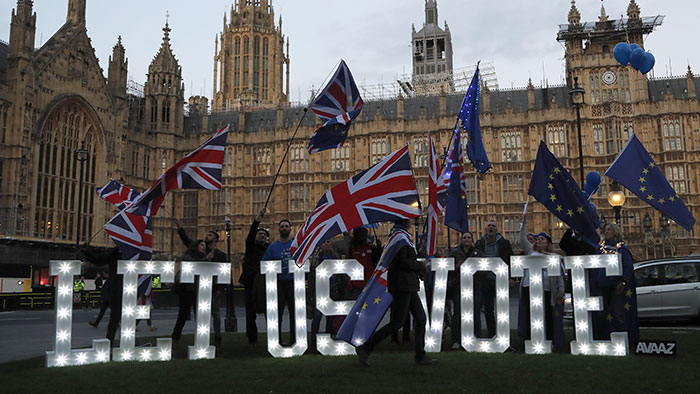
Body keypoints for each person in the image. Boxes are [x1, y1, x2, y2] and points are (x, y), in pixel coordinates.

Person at [356, 219, 437, 366]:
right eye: (409, 220)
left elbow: (405, 260)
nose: (412, 222)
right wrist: (420, 265)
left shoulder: (402, 236)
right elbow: (401, 262)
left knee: (421, 319)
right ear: (404, 222)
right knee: (397, 323)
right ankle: (366, 347)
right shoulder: (400, 237)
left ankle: (420, 355)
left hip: (408, 285)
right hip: (402, 285)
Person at [174, 219, 228, 346]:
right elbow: (187, 241)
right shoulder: (198, 251)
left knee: (215, 313)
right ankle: (201, 339)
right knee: (198, 314)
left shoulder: (220, 254)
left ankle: (217, 337)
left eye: (209, 235)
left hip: (213, 288)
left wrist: (221, 287)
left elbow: (224, 270)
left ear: (215, 239)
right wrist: (180, 228)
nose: (206, 238)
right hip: (196, 288)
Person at [517, 219, 565, 351]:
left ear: (548, 243)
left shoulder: (554, 257)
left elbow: (560, 277)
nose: (539, 241)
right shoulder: (530, 253)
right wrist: (523, 225)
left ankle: (548, 341)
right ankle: (529, 340)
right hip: (529, 288)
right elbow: (522, 240)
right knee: (529, 315)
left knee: (547, 316)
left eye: (542, 239)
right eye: (538, 239)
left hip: (546, 289)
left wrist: (561, 291)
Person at [598, 222, 639, 349]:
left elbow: (628, 267)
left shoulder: (621, 248)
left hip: (617, 287)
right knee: (603, 314)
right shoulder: (600, 248)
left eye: (609, 229)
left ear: (615, 232)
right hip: (603, 286)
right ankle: (606, 340)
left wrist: (624, 282)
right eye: (605, 230)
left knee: (619, 314)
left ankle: (624, 343)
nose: (607, 232)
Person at [474, 219, 514, 338]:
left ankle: (503, 334)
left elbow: (510, 260)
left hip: (501, 278)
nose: (491, 228)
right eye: (489, 226)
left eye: (493, 226)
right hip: (485, 279)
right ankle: (492, 333)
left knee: (503, 309)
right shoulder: (480, 243)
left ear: (497, 229)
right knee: (488, 308)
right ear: (485, 229)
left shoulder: (504, 243)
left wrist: (511, 277)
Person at [261, 219, 296, 345]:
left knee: (295, 314)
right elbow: (264, 264)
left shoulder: (296, 246)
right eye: (282, 226)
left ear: (290, 228)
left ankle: (295, 340)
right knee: (277, 314)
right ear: (279, 229)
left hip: (293, 283)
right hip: (278, 284)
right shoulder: (272, 247)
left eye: (287, 226)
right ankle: (278, 341)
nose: (285, 228)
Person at [81, 246, 123, 346]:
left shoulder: (117, 252)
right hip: (117, 290)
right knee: (114, 319)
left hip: (120, 288)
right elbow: (99, 260)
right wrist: (87, 252)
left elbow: (99, 260)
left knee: (115, 319)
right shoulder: (116, 252)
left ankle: (112, 343)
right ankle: (110, 343)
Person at [239, 208, 270, 344]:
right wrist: (257, 219)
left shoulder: (269, 248)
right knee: (250, 313)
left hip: (264, 283)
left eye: (264, 235)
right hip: (251, 283)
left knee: (269, 311)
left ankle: (273, 335)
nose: (262, 236)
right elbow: (250, 235)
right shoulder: (250, 247)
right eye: (260, 234)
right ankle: (252, 338)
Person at [448, 232, 481, 349]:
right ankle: (456, 340)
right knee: (457, 314)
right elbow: (448, 267)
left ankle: (476, 338)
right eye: (464, 237)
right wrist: (456, 266)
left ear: (472, 239)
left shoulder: (478, 253)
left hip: (474, 286)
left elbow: (483, 270)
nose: (467, 239)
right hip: (459, 286)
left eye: (469, 237)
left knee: (476, 313)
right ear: (461, 240)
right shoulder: (455, 252)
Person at [171, 240, 207, 348]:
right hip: (187, 291)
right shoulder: (188, 256)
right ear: (195, 246)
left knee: (201, 318)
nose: (204, 247)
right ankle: (175, 341)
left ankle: (201, 343)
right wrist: (205, 259)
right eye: (202, 245)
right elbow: (193, 267)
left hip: (199, 290)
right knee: (182, 316)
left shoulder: (202, 257)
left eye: (205, 245)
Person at [309, 239, 341, 340]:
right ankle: (313, 339)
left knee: (330, 317)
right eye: (324, 242)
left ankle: (329, 337)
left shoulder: (335, 256)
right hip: (320, 290)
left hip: (332, 288)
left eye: (328, 242)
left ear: (331, 244)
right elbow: (311, 275)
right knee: (317, 315)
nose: (326, 244)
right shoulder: (316, 257)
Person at [346, 227, 382, 299]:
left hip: (370, 283)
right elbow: (347, 266)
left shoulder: (371, 248)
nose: (362, 237)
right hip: (356, 285)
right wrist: (350, 284)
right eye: (360, 235)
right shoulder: (351, 250)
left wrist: (379, 249)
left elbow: (379, 261)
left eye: (364, 235)